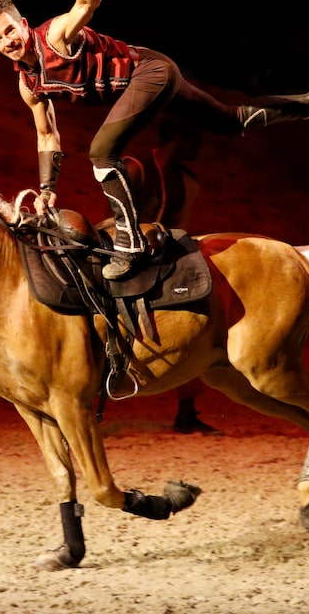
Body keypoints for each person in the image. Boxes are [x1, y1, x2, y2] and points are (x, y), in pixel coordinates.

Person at [0, 0, 309, 282]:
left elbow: (86, 3)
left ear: (23, 24)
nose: (6, 41)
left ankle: (131, 243)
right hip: (149, 78)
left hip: (149, 72)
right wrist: (46, 190)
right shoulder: (28, 84)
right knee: (229, 121)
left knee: (102, 152)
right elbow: (47, 135)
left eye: (10, 31)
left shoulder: (56, 35)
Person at [120, 119, 221, 435]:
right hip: (127, 253)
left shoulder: (187, 181)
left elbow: (181, 224)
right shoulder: (136, 167)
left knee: (193, 314)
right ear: (178, 137)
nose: (199, 148)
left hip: (165, 258)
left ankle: (187, 411)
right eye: (194, 140)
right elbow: (118, 213)